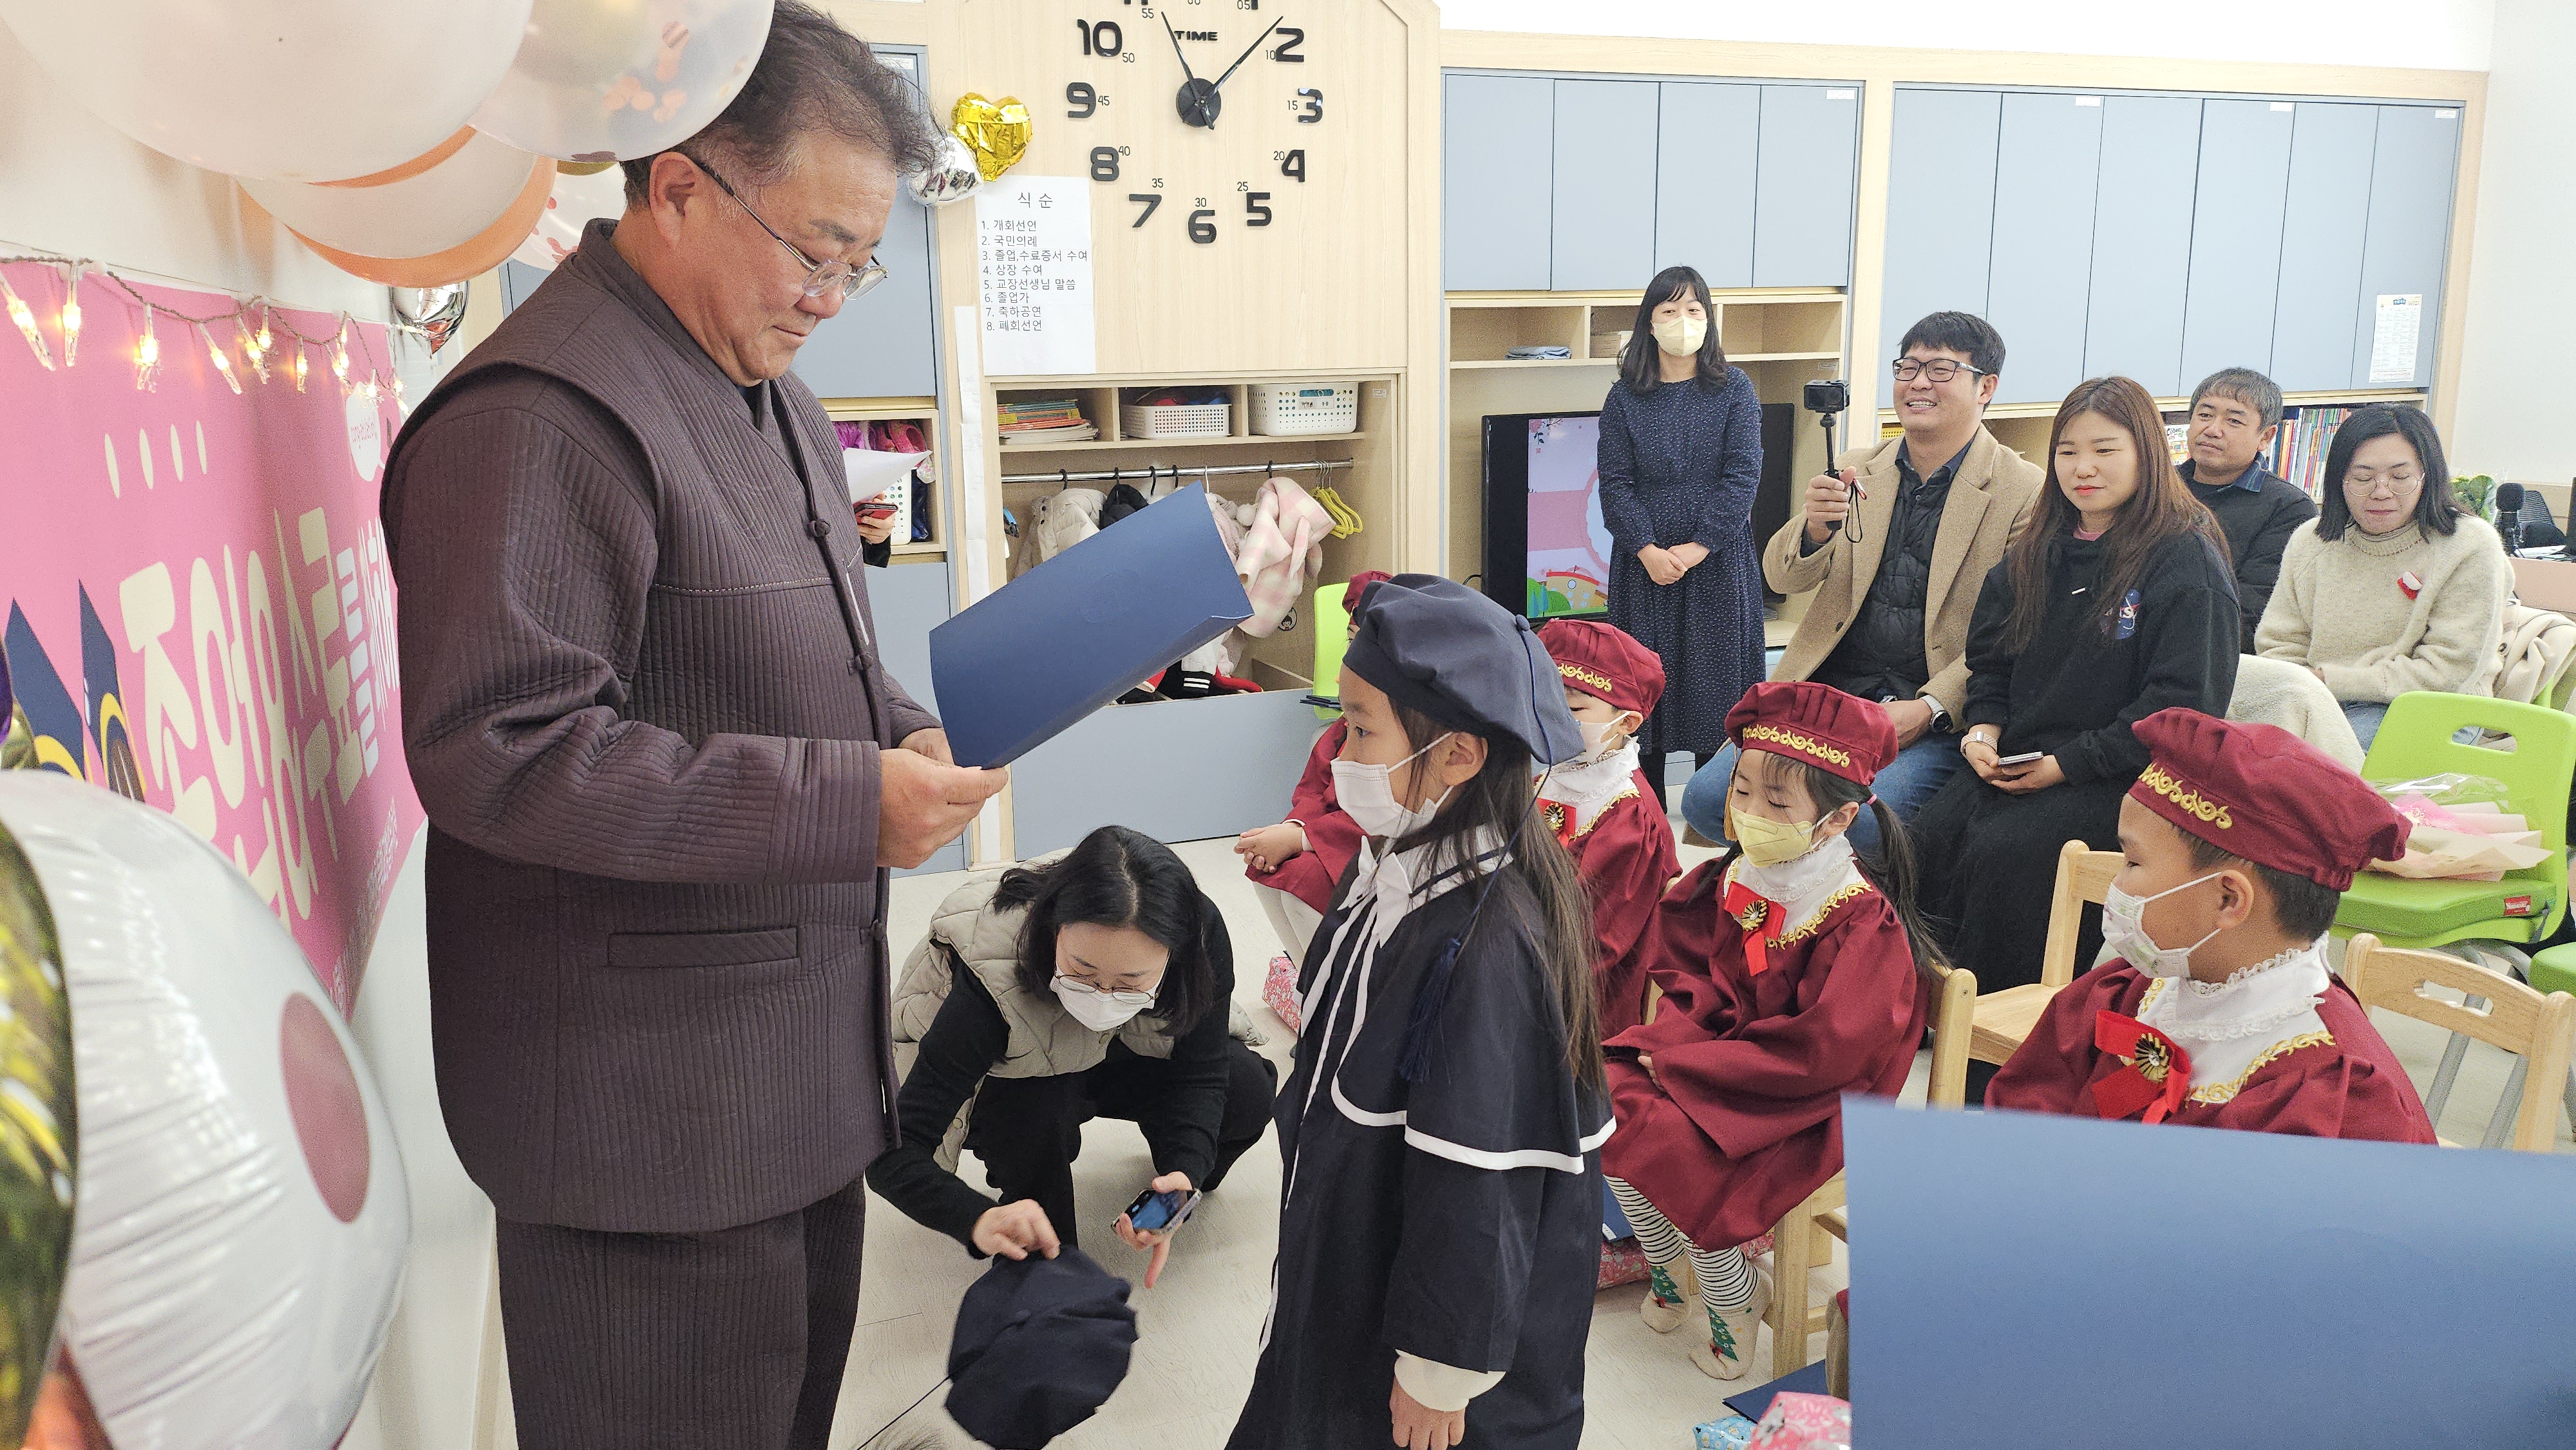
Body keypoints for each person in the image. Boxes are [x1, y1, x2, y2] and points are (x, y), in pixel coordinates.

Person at [377, 11, 1009, 1448]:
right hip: (645, 1123)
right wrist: (845, 805)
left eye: (861, 259)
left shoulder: (759, 375)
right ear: (675, 186)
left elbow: (784, 645)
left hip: (786, 1080)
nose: (835, 294)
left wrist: (896, 732)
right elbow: (502, 748)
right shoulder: (537, 415)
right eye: (814, 249)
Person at [1229, 576, 1609, 1450]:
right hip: (1361, 1252)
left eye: (1361, 730)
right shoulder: (1396, 870)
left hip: (1439, 1339)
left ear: (1459, 757)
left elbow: (1483, 1176)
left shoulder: (1485, 947)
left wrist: (1441, 1373)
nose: (1339, 757)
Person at [1909, 376, 2240, 1091]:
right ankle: (1935, 1019)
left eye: (2103, 449)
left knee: (2007, 854)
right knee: (1921, 836)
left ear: (2146, 453)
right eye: (2067, 452)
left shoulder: (2183, 558)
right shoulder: (2039, 549)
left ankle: (2000, 1063)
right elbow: (1990, 662)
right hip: (2023, 759)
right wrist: (1984, 729)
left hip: (2126, 779)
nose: (2082, 468)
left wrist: (2066, 764)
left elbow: (2181, 712)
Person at [1602, 681, 1938, 1380]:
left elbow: (1829, 1047)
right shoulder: (1736, 876)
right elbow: (1692, 975)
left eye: (1777, 802)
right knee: (1603, 1100)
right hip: (1718, 1060)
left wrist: (1696, 1067)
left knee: (1685, 1152)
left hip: (1804, 1095)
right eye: (1742, 791)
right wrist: (1679, 1047)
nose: (1750, 813)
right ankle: (1667, 1263)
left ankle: (1733, 1306)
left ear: (1838, 818)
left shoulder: (1853, 917)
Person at [1684, 312, 2045, 861]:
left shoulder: (2024, 491)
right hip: (1832, 694)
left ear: (1986, 387)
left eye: (1941, 369)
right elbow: (1782, 577)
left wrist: (1929, 708)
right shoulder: (1858, 466)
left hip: (1929, 714)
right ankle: (1780, 903)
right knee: (1709, 801)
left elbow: (2013, 636)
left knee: (1865, 825)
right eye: (1908, 366)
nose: (1918, 382)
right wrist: (1814, 527)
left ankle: (1853, 925)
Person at [1990, 710, 2437, 1143]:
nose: (2117, 884)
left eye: (2133, 862)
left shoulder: (2331, 1097)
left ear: (2228, 900)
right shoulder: (2128, 995)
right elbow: (2024, 1128)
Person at [869, 825, 1278, 1288]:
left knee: (1245, 1089)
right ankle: (1045, 1243)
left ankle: (1179, 1177)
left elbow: (1201, 1074)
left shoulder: (1198, 935)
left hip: (1126, 1051)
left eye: (1130, 981)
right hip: (1021, 1075)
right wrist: (980, 1220)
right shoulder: (989, 977)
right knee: (1035, 1133)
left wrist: (1181, 1180)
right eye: (1082, 971)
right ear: (1053, 926)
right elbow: (894, 1153)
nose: (1103, 994)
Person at [1596, 265, 1767, 810]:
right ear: (1649, 323)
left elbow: (1743, 477)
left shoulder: (1734, 390)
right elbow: (1616, 485)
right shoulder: (1624, 398)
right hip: (1643, 566)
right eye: (1669, 310)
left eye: (1694, 309)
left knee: (1711, 693)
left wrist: (1696, 549)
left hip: (1716, 562)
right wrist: (1647, 550)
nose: (1683, 320)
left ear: (1709, 321)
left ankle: (1708, 815)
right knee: (1641, 693)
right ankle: (1642, 817)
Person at [2255, 404, 2511, 751]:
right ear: (2339, 480)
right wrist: (2307, 691)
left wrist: (2333, 681)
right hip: (2316, 695)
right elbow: (2279, 644)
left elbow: (2447, 671)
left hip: (2432, 707)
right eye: (2362, 478)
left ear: (2427, 476)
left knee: (2318, 771)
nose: (2381, 492)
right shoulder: (2311, 541)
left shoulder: (2468, 545)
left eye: (2400, 477)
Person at [1535, 618, 1683, 1039]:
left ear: (1626, 724)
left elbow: (1595, 945)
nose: (1553, 719)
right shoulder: (1554, 774)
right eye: (1546, 702)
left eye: (1575, 709)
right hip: (1526, 953)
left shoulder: (1628, 819)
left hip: (1581, 1001)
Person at [1237, 570, 1394, 961]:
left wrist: (1301, 840)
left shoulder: (1404, 732)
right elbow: (1314, 787)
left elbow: (1389, 812)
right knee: (1272, 873)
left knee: (1303, 879)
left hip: (1380, 853)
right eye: (1352, 642)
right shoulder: (1344, 728)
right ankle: (1310, 984)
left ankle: (1341, 986)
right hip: (1335, 840)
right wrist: (1290, 829)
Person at [2177, 368, 2317, 651]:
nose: (2213, 430)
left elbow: (2254, 611)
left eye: (2233, 421)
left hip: (2219, 653)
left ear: (2266, 437)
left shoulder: (2289, 509)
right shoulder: (2156, 488)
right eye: (2204, 415)